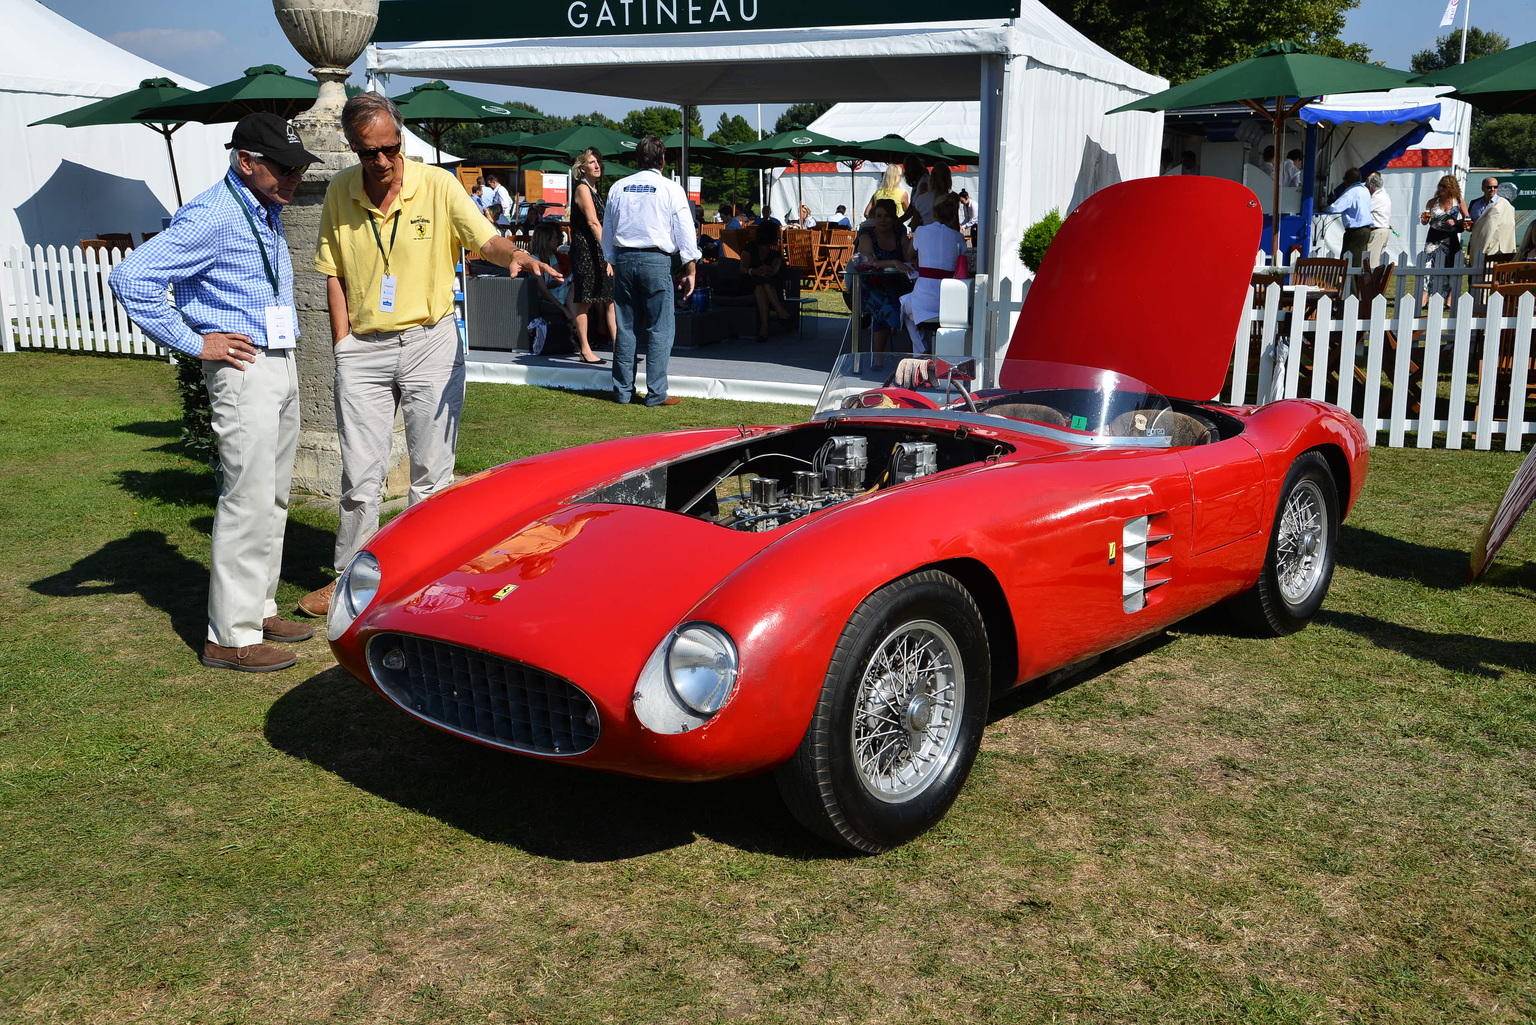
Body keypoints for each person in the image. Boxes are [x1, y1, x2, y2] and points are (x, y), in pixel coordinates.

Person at [299, 92, 557, 617]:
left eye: (390, 148)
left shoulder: (438, 184)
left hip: (429, 343)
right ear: (352, 148)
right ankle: (349, 578)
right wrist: (342, 343)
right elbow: (332, 272)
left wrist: (516, 254)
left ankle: (425, 576)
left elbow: (485, 240)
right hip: (363, 351)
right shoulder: (340, 190)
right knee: (360, 475)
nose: (382, 161)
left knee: (432, 475)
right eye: (368, 152)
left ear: (401, 140)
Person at [109, 113, 320, 672]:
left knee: (272, 496)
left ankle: (258, 608)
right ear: (246, 162)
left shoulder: (263, 207)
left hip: (276, 360)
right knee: (246, 498)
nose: (295, 177)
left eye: (299, 166)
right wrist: (195, 343)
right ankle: (230, 636)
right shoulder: (214, 213)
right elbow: (132, 280)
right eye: (285, 167)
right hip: (243, 369)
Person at [601, 134, 700, 406]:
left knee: (626, 327)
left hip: (624, 259)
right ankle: (656, 393)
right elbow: (685, 231)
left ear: (637, 159)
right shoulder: (670, 188)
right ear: (664, 159)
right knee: (660, 329)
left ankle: (622, 391)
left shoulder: (619, 187)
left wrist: (612, 258)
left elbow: (607, 229)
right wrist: (690, 267)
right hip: (656, 260)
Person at [901, 192, 966, 354]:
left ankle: (922, 350)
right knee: (909, 306)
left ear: (934, 213)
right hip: (948, 300)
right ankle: (924, 352)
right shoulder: (958, 237)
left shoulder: (921, 231)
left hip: (924, 298)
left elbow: (908, 255)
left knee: (904, 307)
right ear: (952, 216)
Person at [855, 197, 915, 368]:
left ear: (894, 218)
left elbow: (909, 257)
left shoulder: (900, 237)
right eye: (879, 216)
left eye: (887, 216)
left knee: (916, 304)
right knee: (886, 306)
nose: (882, 220)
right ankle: (878, 359)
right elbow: (868, 262)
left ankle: (913, 360)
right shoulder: (867, 237)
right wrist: (894, 262)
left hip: (899, 283)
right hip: (873, 284)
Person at [569, 147, 616, 365]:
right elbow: (592, 222)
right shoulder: (582, 189)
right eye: (591, 162)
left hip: (599, 250)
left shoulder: (597, 190)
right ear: (582, 167)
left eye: (598, 161)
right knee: (585, 301)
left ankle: (620, 347)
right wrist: (609, 252)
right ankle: (585, 349)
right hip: (587, 251)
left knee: (609, 299)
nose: (596, 165)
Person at [1420, 174, 1470, 307]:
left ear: (1451, 188)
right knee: (1427, 265)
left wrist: (1456, 222)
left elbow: (1467, 219)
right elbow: (1425, 222)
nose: (1441, 188)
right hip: (1433, 237)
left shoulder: (1458, 201)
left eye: (1444, 186)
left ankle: (1450, 296)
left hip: (1450, 238)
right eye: (1440, 185)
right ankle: (1424, 295)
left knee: (1451, 267)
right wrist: (1424, 219)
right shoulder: (1433, 202)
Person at [741, 221, 793, 343]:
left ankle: (764, 327)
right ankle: (780, 312)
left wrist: (769, 270)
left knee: (762, 283)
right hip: (748, 282)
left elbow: (776, 268)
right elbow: (742, 268)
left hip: (765, 285)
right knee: (761, 281)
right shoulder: (750, 248)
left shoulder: (774, 254)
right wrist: (754, 271)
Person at [1322, 167, 1372, 274]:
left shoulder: (1351, 192)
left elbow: (1336, 208)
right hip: (1365, 230)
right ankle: (1357, 289)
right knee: (1359, 263)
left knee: (1348, 262)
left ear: (1347, 180)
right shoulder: (1365, 190)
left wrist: (1325, 208)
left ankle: (1350, 290)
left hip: (1355, 231)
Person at [1468, 177, 1516, 264]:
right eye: (1489, 187)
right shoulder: (1474, 203)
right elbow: (1471, 225)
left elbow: (1508, 225)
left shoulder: (1504, 203)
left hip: (1496, 246)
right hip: (1476, 243)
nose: (1492, 189)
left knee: (1493, 274)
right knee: (1475, 273)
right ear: (1482, 188)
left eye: (1495, 187)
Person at [1366, 172, 1392, 270]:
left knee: (1372, 263)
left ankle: (1371, 284)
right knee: (1374, 261)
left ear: (1371, 186)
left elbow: (1365, 209)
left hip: (1378, 231)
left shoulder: (1377, 197)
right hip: (1382, 230)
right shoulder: (1383, 195)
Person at [912, 163, 951, 228]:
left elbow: (914, 226)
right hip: (945, 236)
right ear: (948, 179)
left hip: (926, 235)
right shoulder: (951, 200)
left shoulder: (920, 199)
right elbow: (956, 227)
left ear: (932, 177)